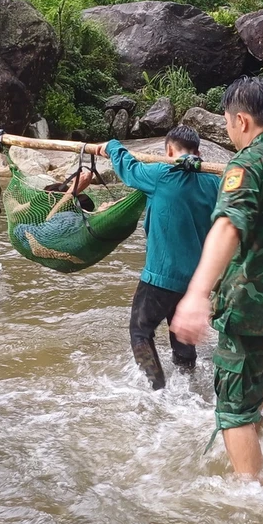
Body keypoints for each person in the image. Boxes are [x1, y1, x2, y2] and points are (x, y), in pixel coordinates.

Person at [171, 77, 263, 481]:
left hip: (254, 309)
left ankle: (252, 499)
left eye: (228, 123)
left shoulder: (247, 163)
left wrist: (197, 294)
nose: (230, 131)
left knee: (233, 405)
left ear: (242, 120)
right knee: (256, 387)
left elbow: (227, 226)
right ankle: (262, 453)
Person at [96, 126, 220, 390]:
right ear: (198, 152)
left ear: (168, 151)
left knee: (140, 331)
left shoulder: (161, 175)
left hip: (161, 277)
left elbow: (127, 168)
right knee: (182, 333)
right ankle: (188, 383)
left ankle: (157, 388)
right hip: (195, 281)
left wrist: (112, 145)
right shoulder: (214, 183)